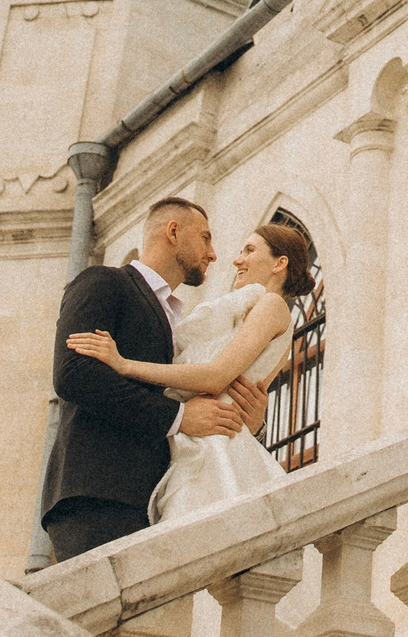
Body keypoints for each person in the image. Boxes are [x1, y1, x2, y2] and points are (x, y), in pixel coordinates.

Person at [42, 197, 269, 561]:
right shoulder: (104, 282)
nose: (213, 254)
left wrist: (249, 423)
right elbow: (74, 375)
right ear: (173, 232)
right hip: (102, 494)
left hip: (162, 498)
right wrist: (178, 417)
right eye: (206, 238)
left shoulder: (182, 320)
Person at [66, 220, 315, 524]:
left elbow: (216, 377)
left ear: (279, 263)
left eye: (249, 251)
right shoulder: (251, 312)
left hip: (215, 447)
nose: (237, 260)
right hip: (204, 438)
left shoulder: (273, 305)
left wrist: (124, 365)